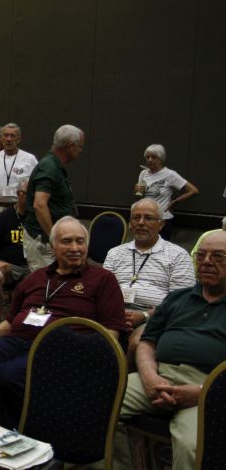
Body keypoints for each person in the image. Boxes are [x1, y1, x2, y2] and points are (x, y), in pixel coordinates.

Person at [0, 217, 126, 428]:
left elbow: (112, 332)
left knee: (8, 375)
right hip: (15, 341)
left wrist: (83, 351)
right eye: (67, 241)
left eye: (80, 241)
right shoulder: (36, 277)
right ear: (53, 246)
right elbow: (11, 320)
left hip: (59, 350)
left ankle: (15, 433)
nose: (75, 248)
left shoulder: (103, 279)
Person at [112, 231, 226, 470]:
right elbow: (147, 342)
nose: (206, 262)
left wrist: (203, 392)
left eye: (218, 256)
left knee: (192, 446)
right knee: (98, 403)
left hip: (209, 386)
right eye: (201, 255)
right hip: (158, 375)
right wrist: (149, 376)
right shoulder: (177, 298)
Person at [103, 198, 195, 367]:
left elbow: (181, 301)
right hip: (115, 312)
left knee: (137, 343)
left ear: (161, 224)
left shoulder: (178, 255)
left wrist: (145, 315)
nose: (141, 222)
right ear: (130, 223)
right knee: (94, 336)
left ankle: (122, 379)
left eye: (148, 218)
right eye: (136, 217)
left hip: (154, 316)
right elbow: (102, 291)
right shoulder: (115, 253)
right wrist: (116, 314)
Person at [22, 124, 85, 272]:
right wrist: (54, 238)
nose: (81, 151)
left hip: (49, 241)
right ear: (70, 146)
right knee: (46, 283)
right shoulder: (49, 166)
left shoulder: (54, 166)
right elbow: (39, 205)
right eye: (80, 146)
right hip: (44, 241)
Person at [0, 182, 30, 327]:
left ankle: (25, 321)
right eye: (29, 194)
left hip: (29, 266)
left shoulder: (36, 218)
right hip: (7, 266)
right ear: (19, 194)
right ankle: (0, 318)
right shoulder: (3, 218)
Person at [134, 144, 198, 241]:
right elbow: (139, 197)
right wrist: (137, 192)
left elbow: (193, 190)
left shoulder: (170, 174)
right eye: (147, 157)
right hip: (145, 217)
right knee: (144, 244)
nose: (150, 160)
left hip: (162, 219)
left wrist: (174, 202)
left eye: (154, 157)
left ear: (161, 159)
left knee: (160, 247)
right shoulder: (143, 173)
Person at [0, 123, 38, 217]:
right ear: (1, 138)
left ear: (19, 139)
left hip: (19, 209)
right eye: (6, 135)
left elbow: (37, 187)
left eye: (12, 136)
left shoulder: (30, 159)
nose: (9, 139)